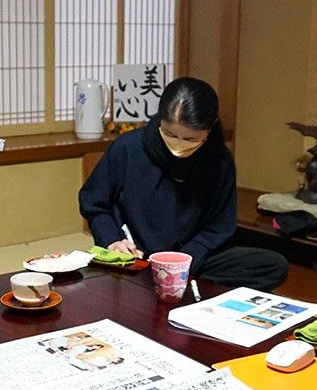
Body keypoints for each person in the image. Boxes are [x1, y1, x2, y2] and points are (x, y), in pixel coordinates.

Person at [79, 77, 289, 292]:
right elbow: (94, 203)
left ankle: (185, 286)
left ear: (210, 127)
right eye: (170, 134)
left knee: (272, 265)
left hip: (190, 257)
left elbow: (219, 227)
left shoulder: (219, 161)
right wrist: (113, 241)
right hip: (136, 256)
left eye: (190, 139)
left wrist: (185, 261)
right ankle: (186, 286)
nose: (178, 145)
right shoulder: (129, 147)